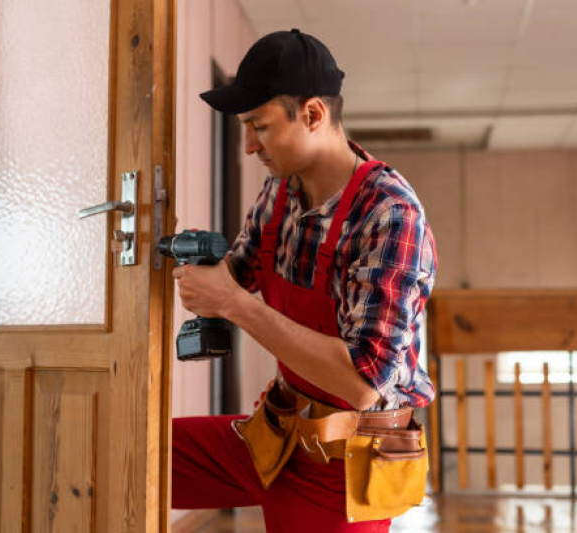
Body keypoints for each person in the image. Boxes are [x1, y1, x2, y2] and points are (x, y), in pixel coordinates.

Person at [171, 28, 438, 532]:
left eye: (260, 126)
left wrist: (234, 305)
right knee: (138, 450)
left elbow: (363, 383)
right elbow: (237, 273)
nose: (249, 146)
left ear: (313, 115)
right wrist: (194, 270)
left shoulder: (389, 214)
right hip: (274, 435)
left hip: (346, 465)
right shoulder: (280, 194)